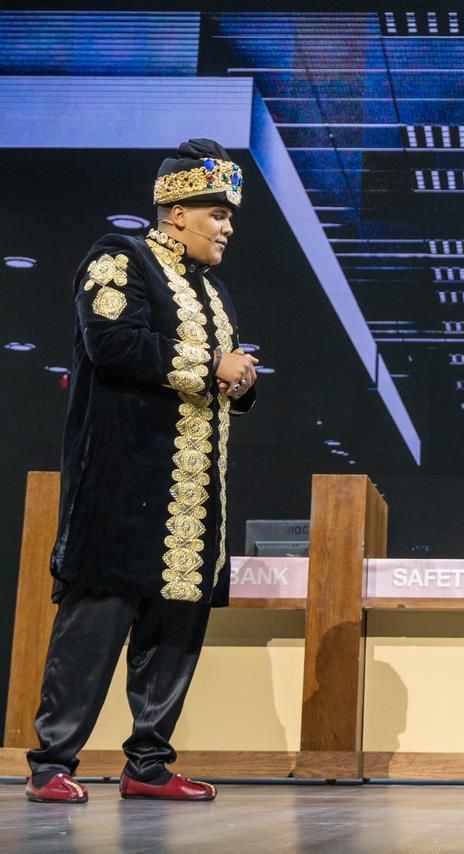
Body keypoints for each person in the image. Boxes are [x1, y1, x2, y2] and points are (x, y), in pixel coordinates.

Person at [25, 139, 260, 804]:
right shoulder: (119, 257)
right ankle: (51, 762)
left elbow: (220, 373)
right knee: (96, 619)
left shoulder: (214, 290)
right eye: (218, 214)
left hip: (193, 494)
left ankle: (148, 764)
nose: (228, 228)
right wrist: (211, 367)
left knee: (175, 628)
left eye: (230, 217)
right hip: (121, 484)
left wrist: (241, 381)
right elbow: (112, 342)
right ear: (177, 212)